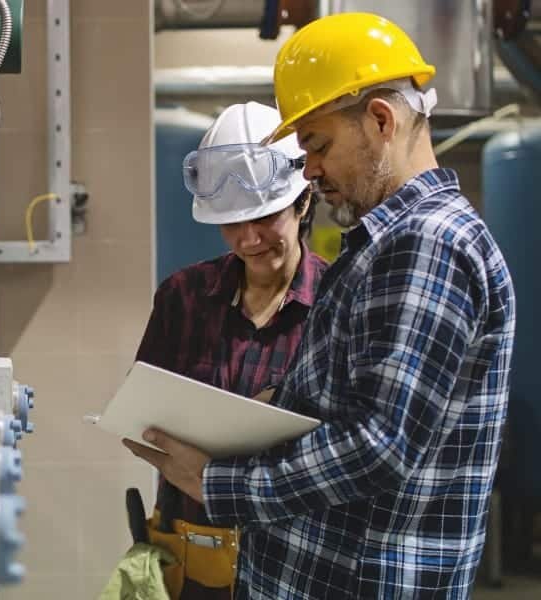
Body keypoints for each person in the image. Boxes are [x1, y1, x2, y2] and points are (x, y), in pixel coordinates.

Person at [125, 12, 516, 599]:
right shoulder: (384, 245)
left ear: (381, 120)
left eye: (318, 144)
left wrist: (217, 482)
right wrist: (276, 406)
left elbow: (378, 445)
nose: (309, 170)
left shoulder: (427, 243)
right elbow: (358, 407)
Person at [134, 101, 327, 600]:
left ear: (302, 200)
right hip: (189, 551)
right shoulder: (183, 297)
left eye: (264, 217)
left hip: (296, 558)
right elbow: (143, 417)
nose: (248, 239)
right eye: (231, 223)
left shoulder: (338, 302)